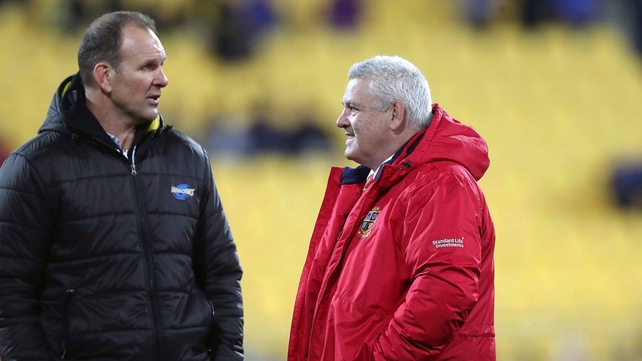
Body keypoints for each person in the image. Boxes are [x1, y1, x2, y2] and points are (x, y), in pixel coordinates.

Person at [0, 11, 243, 360]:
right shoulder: (35, 167)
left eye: (162, 65)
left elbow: (221, 274)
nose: (163, 79)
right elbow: (9, 294)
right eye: (148, 67)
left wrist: (228, 355)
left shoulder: (189, 159)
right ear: (105, 76)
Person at [288, 55, 496, 360]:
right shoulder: (386, 185)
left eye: (353, 108)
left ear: (395, 114)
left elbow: (445, 292)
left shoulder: (440, 183)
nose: (341, 120)